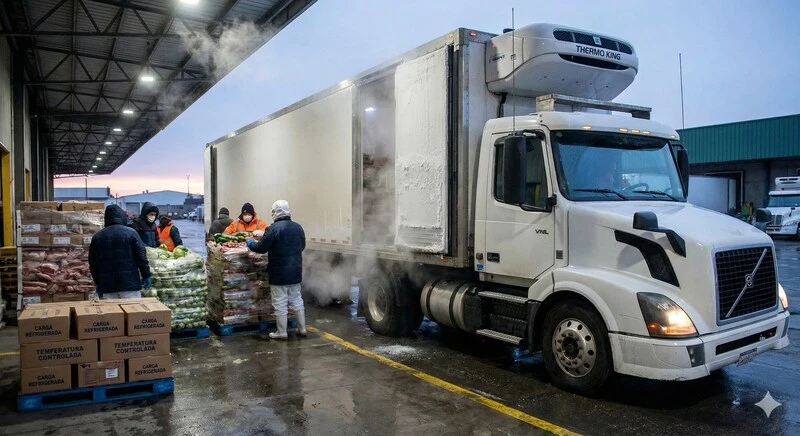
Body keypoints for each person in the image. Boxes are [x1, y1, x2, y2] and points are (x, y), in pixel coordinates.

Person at [246, 200, 306, 340]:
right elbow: (302, 246)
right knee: (297, 299)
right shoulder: (298, 227)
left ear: (275, 213)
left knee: (280, 302)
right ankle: (302, 329)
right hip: (296, 271)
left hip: (279, 273)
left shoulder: (273, 229)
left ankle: (281, 332)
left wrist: (250, 243)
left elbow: (261, 248)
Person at [89, 205, 152, 299]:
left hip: (107, 286)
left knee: (113, 313)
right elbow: (141, 257)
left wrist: (97, 282)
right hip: (130, 285)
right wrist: (146, 275)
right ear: (122, 216)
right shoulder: (132, 233)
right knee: (133, 312)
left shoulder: (97, 237)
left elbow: (93, 263)